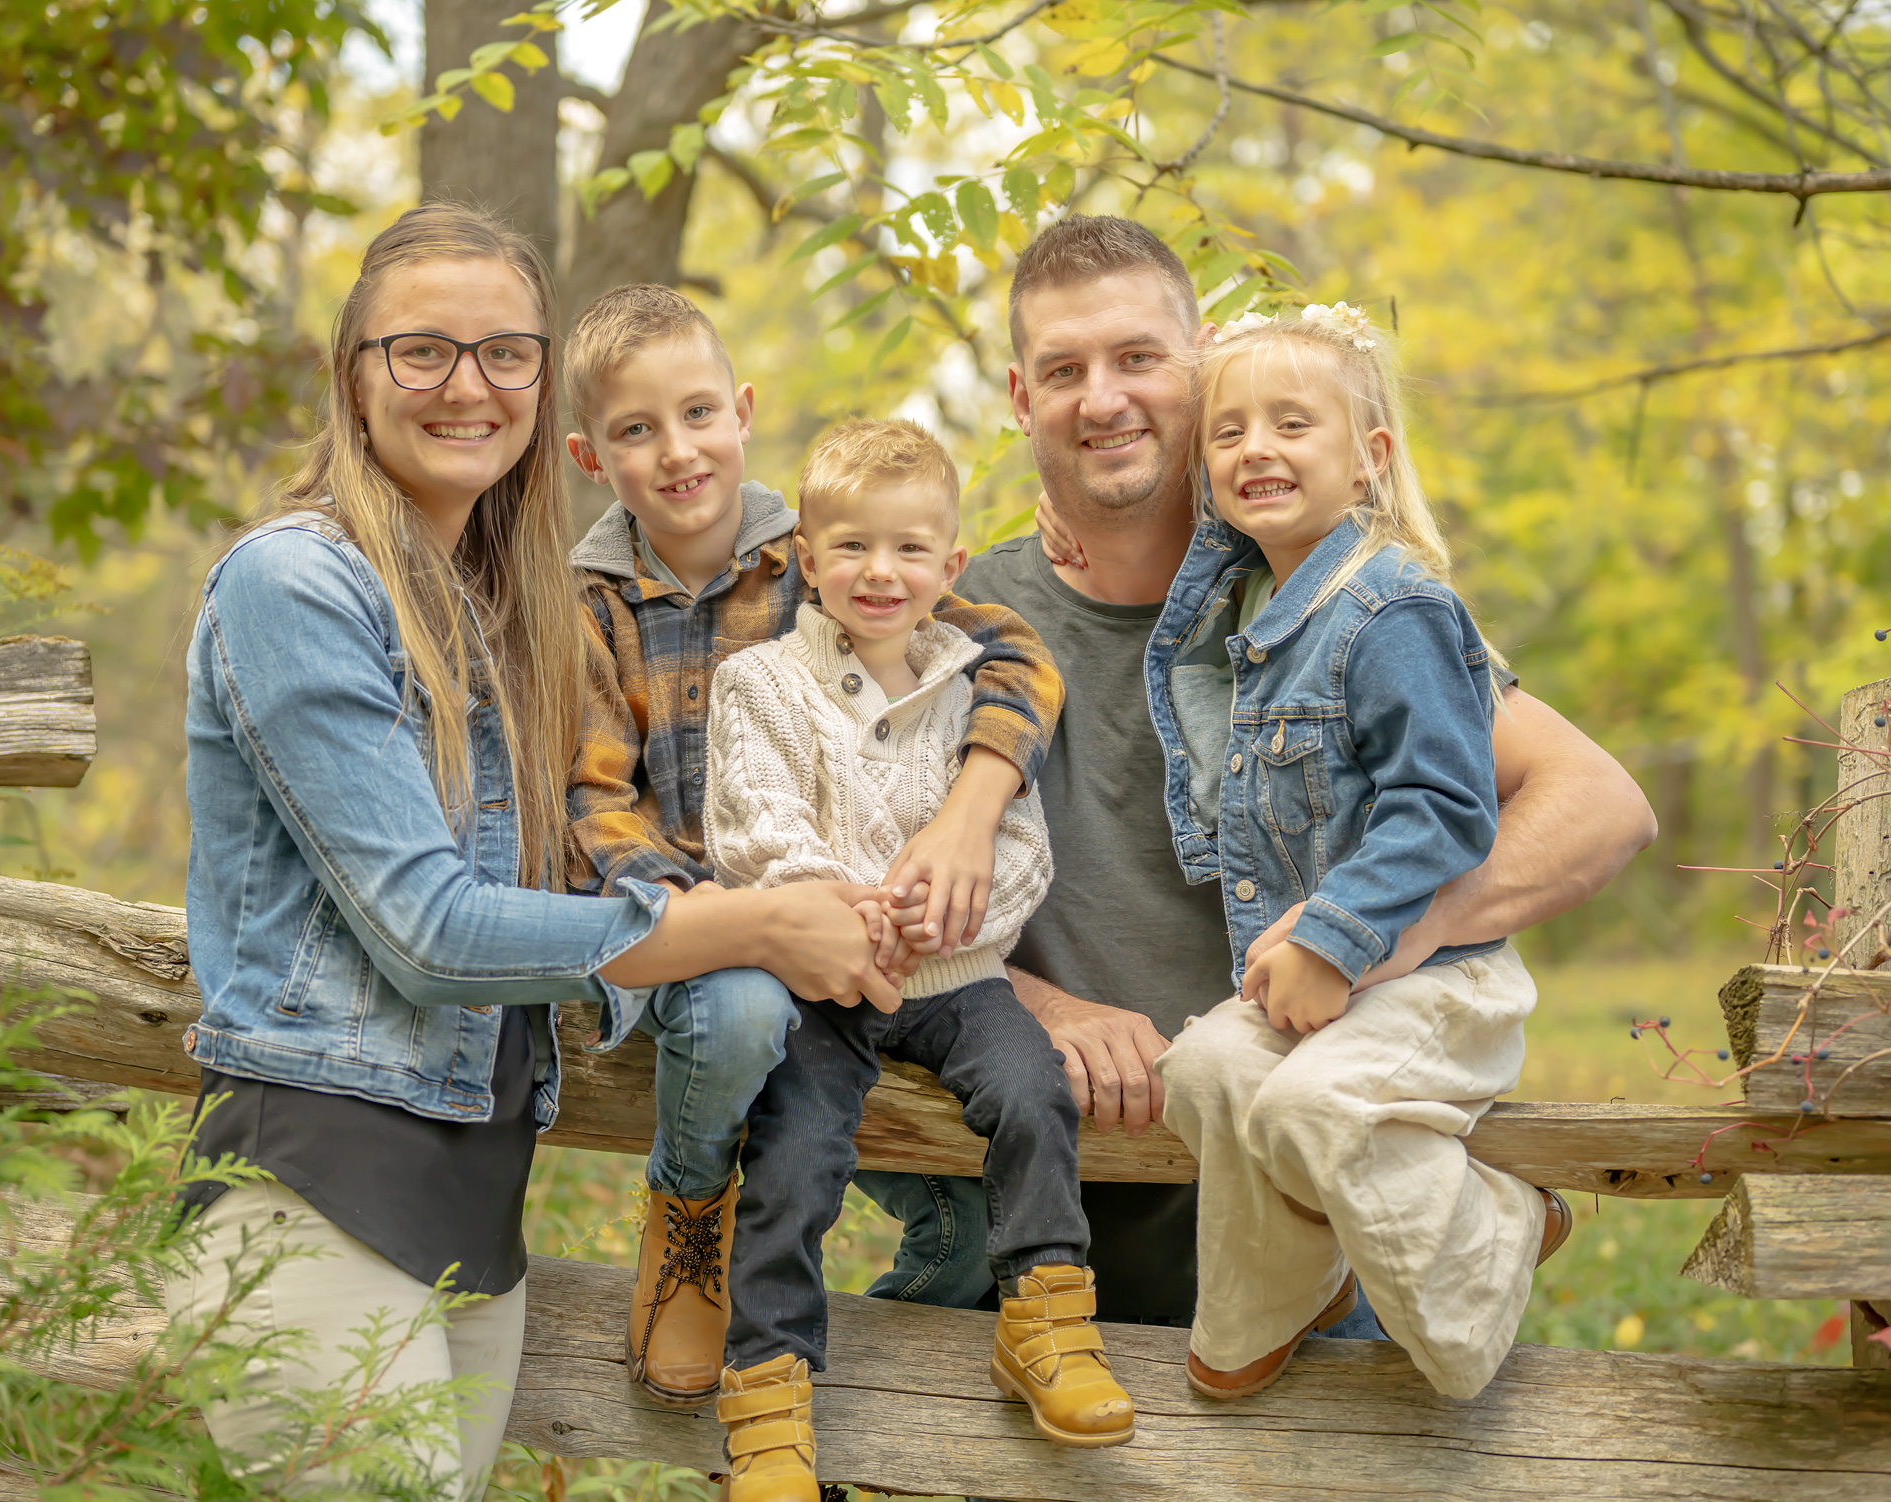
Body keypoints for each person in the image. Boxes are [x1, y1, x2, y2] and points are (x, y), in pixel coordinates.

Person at [169, 202, 902, 1501]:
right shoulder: (295, 583)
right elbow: (432, 931)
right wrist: (757, 925)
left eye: (506, 351)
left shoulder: (511, 619)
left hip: (474, 1204)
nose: (470, 385)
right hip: (321, 1181)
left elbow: (567, 883)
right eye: (424, 351)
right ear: (356, 373)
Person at [863, 215, 1656, 1344]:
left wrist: (1377, 932)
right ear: (1017, 394)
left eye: (1138, 358)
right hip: (1031, 1248)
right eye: (1063, 371)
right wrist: (1036, 1007)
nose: (1102, 399)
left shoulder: (1329, 600)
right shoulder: (950, 624)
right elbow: (845, 883)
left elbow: (1600, 805)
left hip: (1319, 1247)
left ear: (1200, 364)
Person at [559, 284, 1064, 1407]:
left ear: (741, 411)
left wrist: (968, 806)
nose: (677, 450)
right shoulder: (580, 602)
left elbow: (1009, 655)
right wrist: (705, 918)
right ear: (592, 455)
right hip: (692, 927)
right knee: (743, 1012)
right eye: (636, 430)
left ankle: (897, 1402)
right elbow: (592, 797)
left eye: (697, 414)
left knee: (969, 1196)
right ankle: (690, 1209)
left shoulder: (827, 555)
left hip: (858, 922)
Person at [703, 419, 1132, 1502]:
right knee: (794, 1152)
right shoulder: (760, 680)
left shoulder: (976, 686)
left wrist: (946, 917)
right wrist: (845, 908)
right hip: (821, 979)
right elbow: (753, 822)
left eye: (906, 550)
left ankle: (1043, 1317)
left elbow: (1017, 843)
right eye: (849, 547)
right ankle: (767, 1389)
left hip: (955, 974)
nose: (877, 572)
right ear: (807, 558)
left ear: (950, 566)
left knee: (1034, 1089)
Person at [1148, 302, 1570, 1402]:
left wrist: (1333, 936)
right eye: (1227, 432)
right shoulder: (1252, 613)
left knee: (1304, 1106)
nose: (1256, 449)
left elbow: (1441, 803)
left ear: (1367, 459)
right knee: (1195, 1067)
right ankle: (1285, 1288)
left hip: (1434, 981)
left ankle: (1496, 1235)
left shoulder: (1394, 608)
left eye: (1292, 423)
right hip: (1335, 989)